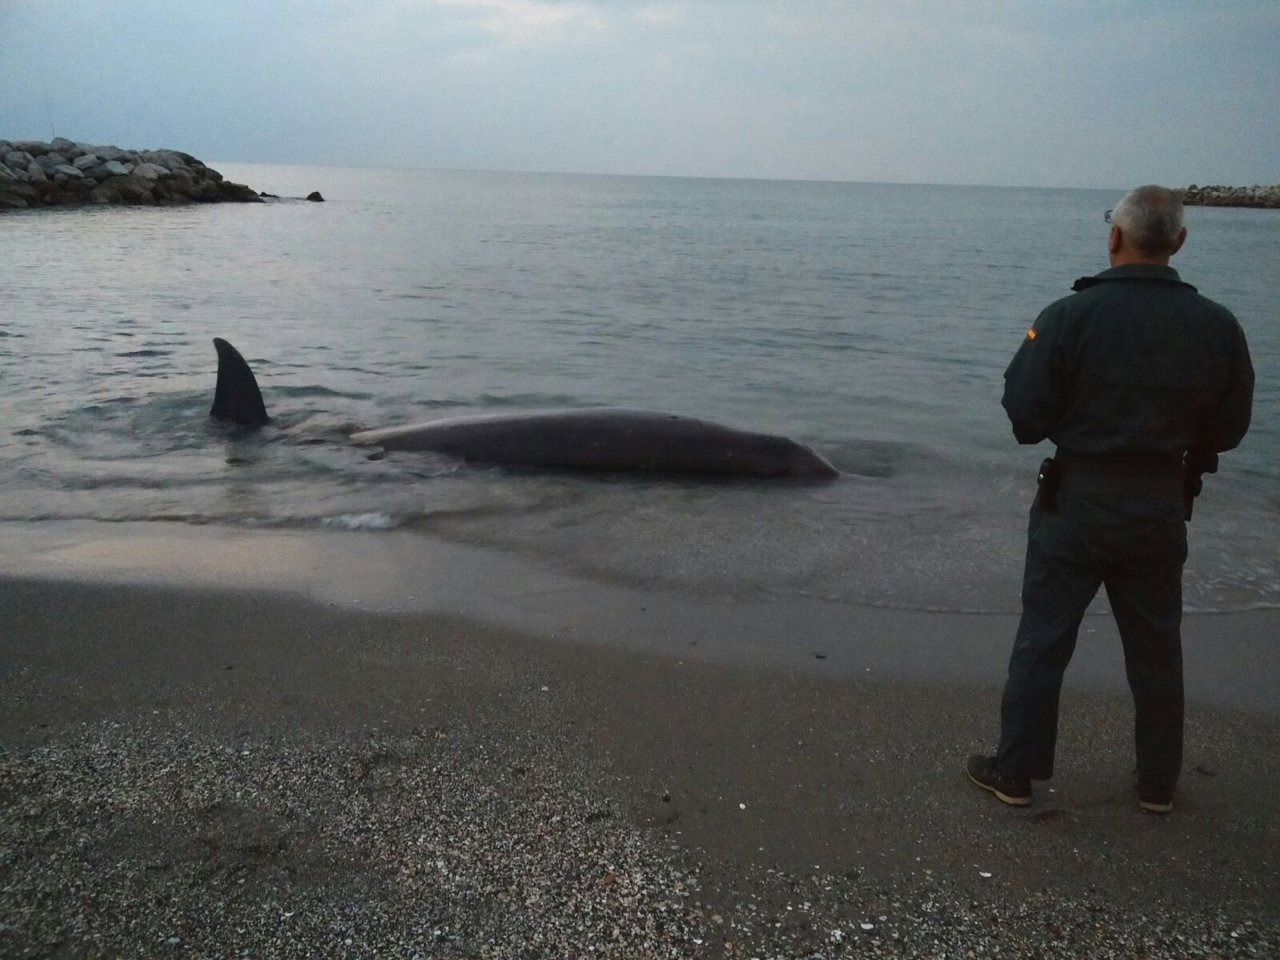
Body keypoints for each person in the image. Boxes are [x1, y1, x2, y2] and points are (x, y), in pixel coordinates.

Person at [967, 185, 1254, 814]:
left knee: (1044, 638)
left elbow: (1024, 416)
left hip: (1078, 500)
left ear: (1115, 236)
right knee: (1156, 647)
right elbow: (1231, 427)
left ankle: (1015, 772)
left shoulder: (1069, 316)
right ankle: (1157, 784)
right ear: (1178, 242)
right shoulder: (1218, 326)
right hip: (1159, 503)